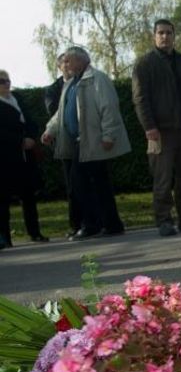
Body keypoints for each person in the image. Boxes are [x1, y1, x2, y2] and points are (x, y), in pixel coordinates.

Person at [42, 46, 130, 241]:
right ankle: (112, 224)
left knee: (80, 182)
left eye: (68, 61)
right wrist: (50, 130)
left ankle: (91, 225)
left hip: (93, 141)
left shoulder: (97, 79)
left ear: (81, 61)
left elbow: (109, 108)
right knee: (99, 184)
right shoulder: (72, 83)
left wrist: (108, 135)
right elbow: (62, 113)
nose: (65, 65)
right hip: (78, 142)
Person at [132, 19, 181, 237]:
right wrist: (149, 127)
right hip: (160, 131)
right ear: (154, 36)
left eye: (168, 33)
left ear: (174, 36)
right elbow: (140, 98)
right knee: (162, 178)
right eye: (160, 33)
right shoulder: (144, 64)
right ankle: (164, 220)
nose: (164, 37)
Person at [0, 69, 48, 249]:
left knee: (28, 195)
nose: (6, 83)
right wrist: (18, 141)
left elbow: (30, 121)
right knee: (3, 199)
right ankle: (4, 237)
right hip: (5, 157)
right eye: (1, 81)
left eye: (7, 80)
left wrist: (30, 137)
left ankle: (35, 232)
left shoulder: (17, 98)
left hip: (25, 155)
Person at [44, 53, 82, 238]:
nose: (67, 66)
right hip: (65, 142)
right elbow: (55, 111)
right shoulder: (53, 89)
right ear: (59, 67)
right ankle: (75, 224)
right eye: (64, 63)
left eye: (70, 61)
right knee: (72, 185)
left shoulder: (81, 82)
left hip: (83, 140)